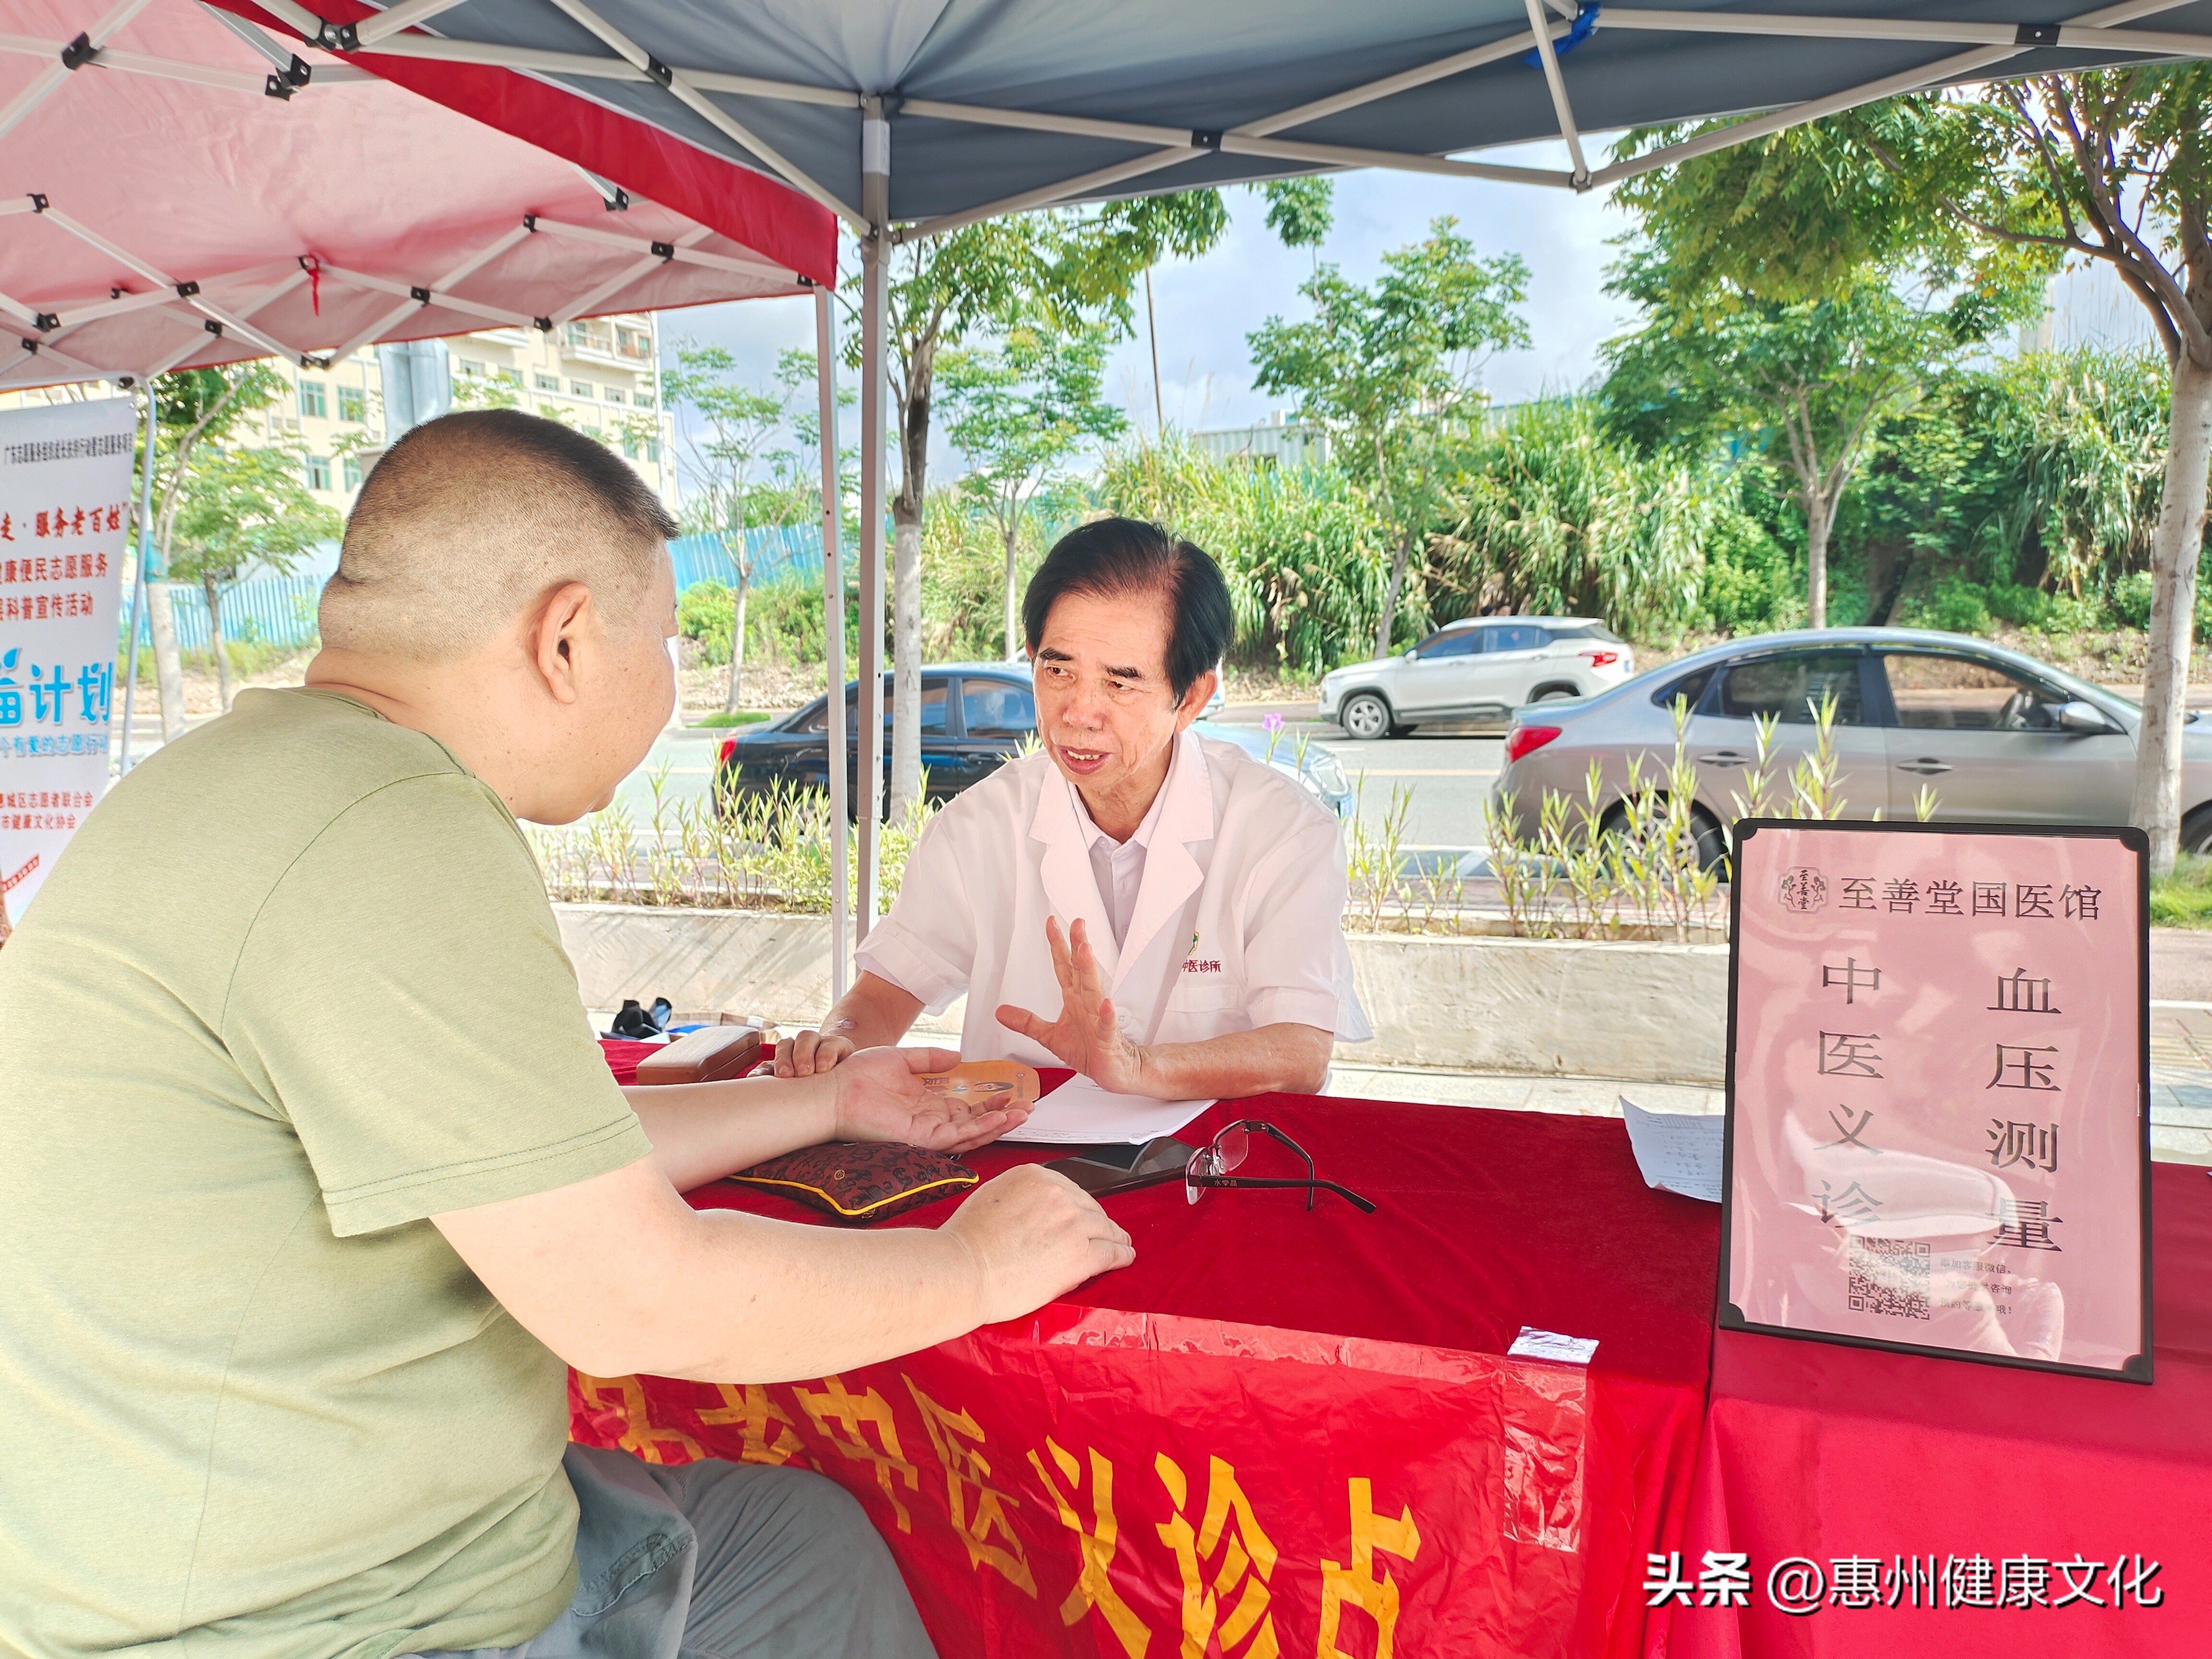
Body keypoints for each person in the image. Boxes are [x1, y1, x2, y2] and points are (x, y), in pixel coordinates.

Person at [0, 411, 1132, 1659]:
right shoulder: (393, 827)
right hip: (335, 1614)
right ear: (565, 636)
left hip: (189, 1565)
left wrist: (829, 1102)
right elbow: (630, 1296)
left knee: (798, 1538)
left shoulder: (229, 780)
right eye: (664, 641)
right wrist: (975, 1266)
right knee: (805, 1559)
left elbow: (531, 1149)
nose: (672, 681)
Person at [776, 517, 1370, 1099]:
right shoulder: (979, 827)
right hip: (1017, 1166)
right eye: (1057, 670)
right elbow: (885, 992)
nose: (1079, 712)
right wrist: (836, 1044)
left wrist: (1137, 1067)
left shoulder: (1280, 830)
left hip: (1212, 1169)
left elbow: (1300, 1051)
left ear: (1191, 697)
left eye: (1120, 683)